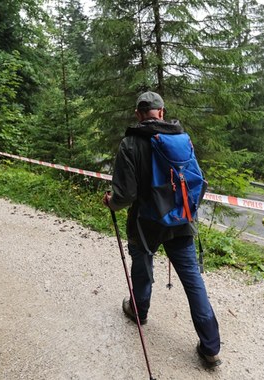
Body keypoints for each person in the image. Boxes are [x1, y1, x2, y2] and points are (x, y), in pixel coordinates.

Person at [102, 91, 221, 367]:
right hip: (181, 221)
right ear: (161, 112)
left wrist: (112, 202)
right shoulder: (181, 139)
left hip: (147, 223)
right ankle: (211, 346)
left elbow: (125, 195)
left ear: (138, 114)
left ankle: (139, 310)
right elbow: (197, 182)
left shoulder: (130, 143)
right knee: (193, 281)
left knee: (142, 266)